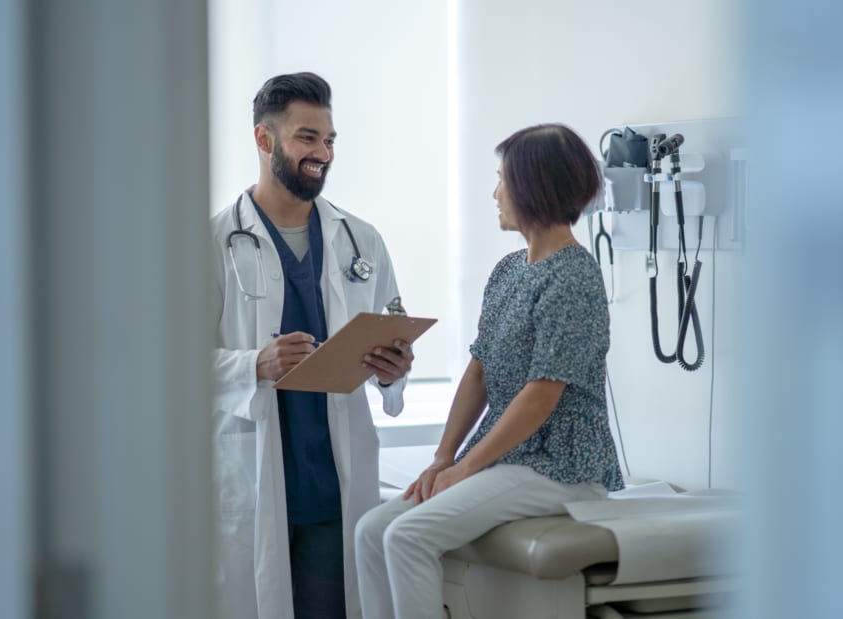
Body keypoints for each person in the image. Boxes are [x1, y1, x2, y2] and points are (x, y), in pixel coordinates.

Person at [354, 123, 625, 619]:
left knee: (408, 535)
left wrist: (467, 467)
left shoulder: (574, 277)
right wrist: (442, 457)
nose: (495, 192)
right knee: (372, 530)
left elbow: (541, 396)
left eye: (502, 178)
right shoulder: (508, 270)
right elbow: (478, 373)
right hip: (511, 458)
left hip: (561, 465)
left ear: (532, 187)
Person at [211, 72, 413, 619]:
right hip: (253, 473)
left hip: (331, 481)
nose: (322, 153)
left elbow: (390, 328)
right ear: (264, 139)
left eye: (329, 140)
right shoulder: (212, 241)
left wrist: (393, 369)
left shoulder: (360, 239)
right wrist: (256, 363)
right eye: (307, 138)